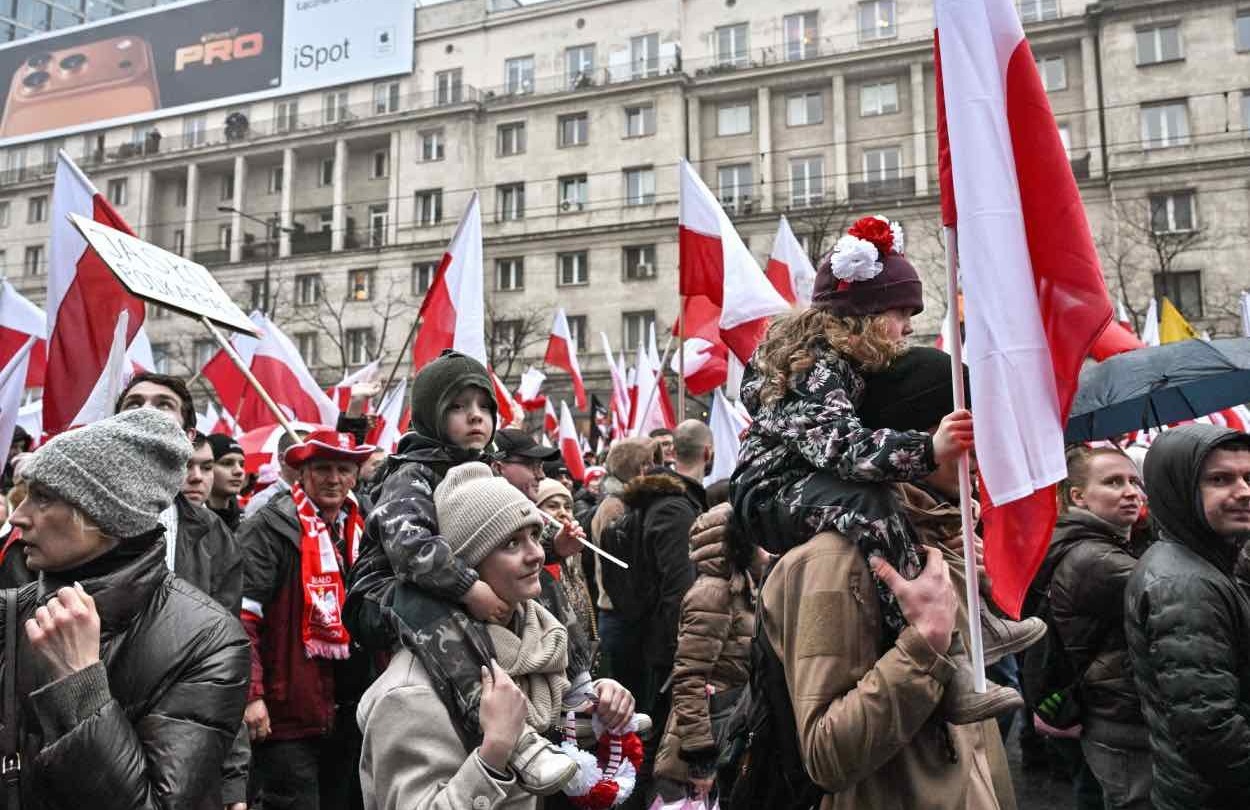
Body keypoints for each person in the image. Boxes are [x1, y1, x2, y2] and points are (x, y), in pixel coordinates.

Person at [731, 215, 1036, 724]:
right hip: (769, 493)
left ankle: (971, 626)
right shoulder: (813, 366)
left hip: (802, 484)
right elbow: (841, 448)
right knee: (868, 503)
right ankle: (942, 656)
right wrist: (929, 447)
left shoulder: (841, 365)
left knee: (882, 503)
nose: (910, 327)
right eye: (901, 313)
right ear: (865, 315)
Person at [345, 351, 580, 792]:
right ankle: (511, 737)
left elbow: (494, 536)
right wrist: (470, 588)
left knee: (539, 581)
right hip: (386, 593)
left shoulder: (482, 468)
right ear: (431, 413)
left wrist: (552, 546)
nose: (475, 416)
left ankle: (577, 687)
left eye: (483, 406)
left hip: (443, 583)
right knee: (434, 610)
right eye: (457, 406)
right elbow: (410, 548)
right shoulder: (411, 472)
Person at [1, 409, 249, 809]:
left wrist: (80, 684)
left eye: (43, 497)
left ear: (106, 515)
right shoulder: (11, 612)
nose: (18, 516)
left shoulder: (208, 640)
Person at [357, 462, 637, 810]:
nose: (536, 554)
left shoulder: (540, 644)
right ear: (468, 563)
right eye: (511, 543)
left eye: (534, 536)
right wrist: (494, 754)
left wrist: (598, 711)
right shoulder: (411, 691)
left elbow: (556, 746)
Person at [238, 429, 376, 809]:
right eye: (323, 469)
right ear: (302, 474)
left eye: (343, 470)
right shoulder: (269, 528)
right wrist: (253, 694)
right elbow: (242, 617)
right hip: (289, 712)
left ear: (355, 476)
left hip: (352, 711)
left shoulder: (362, 527)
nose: (334, 479)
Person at [1124, 425, 1250, 808]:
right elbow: (1210, 729)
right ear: (1178, 490)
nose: (1244, 491)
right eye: (1219, 479)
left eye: (1249, 477)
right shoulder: (1184, 584)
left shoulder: (1203, 558)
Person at [1029, 447, 1150, 809]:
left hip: (1102, 709)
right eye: (1113, 482)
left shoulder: (1102, 542)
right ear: (1078, 496)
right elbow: (1173, 593)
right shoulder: (1095, 559)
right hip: (1114, 717)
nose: (1131, 492)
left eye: (1135, 482)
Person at [653, 504, 760, 803]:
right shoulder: (713, 594)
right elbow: (690, 678)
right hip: (713, 731)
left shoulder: (742, 587)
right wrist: (701, 760)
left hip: (729, 724)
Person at [590, 438, 655, 692]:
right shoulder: (615, 507)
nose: (654, 469)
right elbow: (618, 572)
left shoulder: (624, 503)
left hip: (624, 616)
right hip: (619, 616)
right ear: (637, 468)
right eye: (648, 463)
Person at [535, 477, 597, 645]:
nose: (563, 512)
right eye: (553, 506)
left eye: (568, 507)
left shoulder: (573, 552)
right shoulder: (536, 556)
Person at [207, 433, 247, 530]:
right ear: (206, 468)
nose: (239, 471)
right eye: (227, 463)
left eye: (241, 464)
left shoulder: (245, 521)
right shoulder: (190, 520)